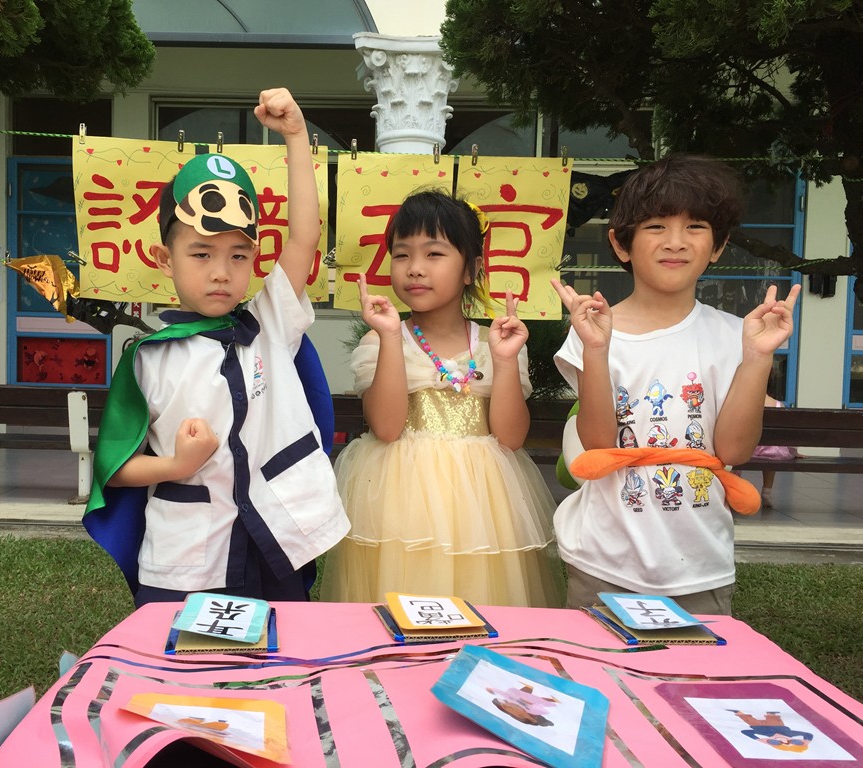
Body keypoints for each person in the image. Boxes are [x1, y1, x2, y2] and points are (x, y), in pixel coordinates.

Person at [83, 88, 349, 607]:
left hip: (275, 541)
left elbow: (304, 237)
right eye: (201, 254)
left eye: (238, 255)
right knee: (183, 656)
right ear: (164, 258)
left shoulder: (270, 323)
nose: (221, 272)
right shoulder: (147, 359)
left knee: (279, 650)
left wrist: (297, 136)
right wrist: (176, 465)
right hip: (186, 556)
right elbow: (114, 468)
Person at [552, 154, 801, 616]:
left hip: (700, 563)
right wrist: (596, 350)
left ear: (718, 245)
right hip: (603, 559)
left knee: (696, 662)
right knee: (600, 660)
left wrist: (757, 358)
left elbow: (733, 450)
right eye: (656, 226)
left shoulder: (735, 335)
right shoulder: (596, 332)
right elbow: (598, 445)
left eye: (695, 227)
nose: (676, 241)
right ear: (621, 243)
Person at [320, 189, 562, 607]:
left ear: (471, 270)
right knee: (401, 598)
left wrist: (505, 360)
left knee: (482, 599)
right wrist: (390, 336)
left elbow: (510, 437)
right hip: (401, 502)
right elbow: (387, 427)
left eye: (434, 254)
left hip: (483, 503)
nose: (415, 268)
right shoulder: (382, 342)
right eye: (402, 255)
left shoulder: (496, 343)